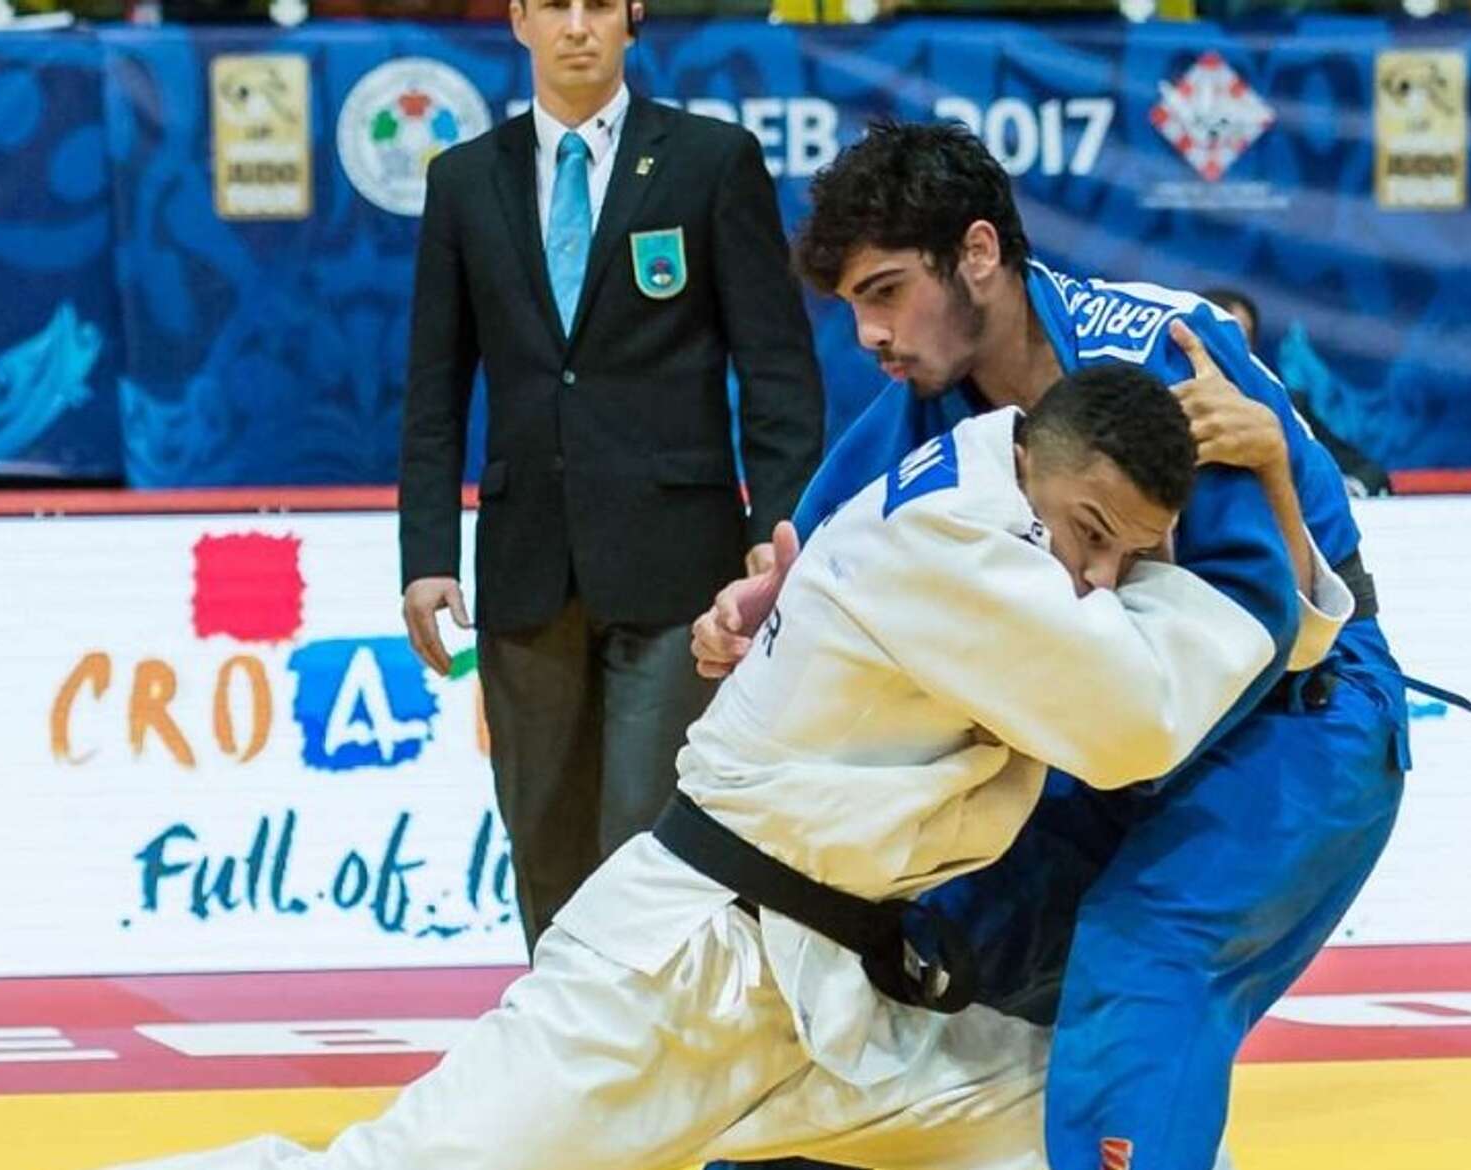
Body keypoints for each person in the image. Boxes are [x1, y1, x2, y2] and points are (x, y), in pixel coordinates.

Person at [109, 365, 1299, 1170]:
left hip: (835, 999)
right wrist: (1257, 524)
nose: (1097, 579)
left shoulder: (1005, 501)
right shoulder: (954, 538)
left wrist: (1277, 490)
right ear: (1036, 451)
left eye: (1129, 559)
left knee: (1098, 1119)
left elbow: (1143, 651)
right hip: (675, 977)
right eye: (1090, 536)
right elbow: (1136, 722)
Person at [698, 120, 1407, 1170]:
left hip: (1292, 725)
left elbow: (1276, 632)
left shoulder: (1167, 359)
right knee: (899, 957)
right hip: (1102, 741)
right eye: (852, 305)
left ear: (978, 252)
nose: (870, 333)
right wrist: (749, 615)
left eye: (886, 291)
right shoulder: (916, 419)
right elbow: (805, 578)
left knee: (1143, 954)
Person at [395, 0, 824, 951]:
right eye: (555, 4)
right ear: (518, 20)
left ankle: (662, 1033)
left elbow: (778, 369)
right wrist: (426, 553)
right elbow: (434, 387)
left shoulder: (711, 160)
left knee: (649, 836)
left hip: (679, 564)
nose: (578, 26)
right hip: (526, 564)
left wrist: (779, 525)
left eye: (599, 3)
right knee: (543, 839)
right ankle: (563, 1034)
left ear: (634, 18)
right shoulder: (464, 179)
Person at [1200, 286, 1390, 497]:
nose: (1236, 351)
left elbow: (1368, 472)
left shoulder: (1286, 407)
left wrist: (1347, 491)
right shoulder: (1174, 410)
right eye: (1226, 339)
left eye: (1244, 340)